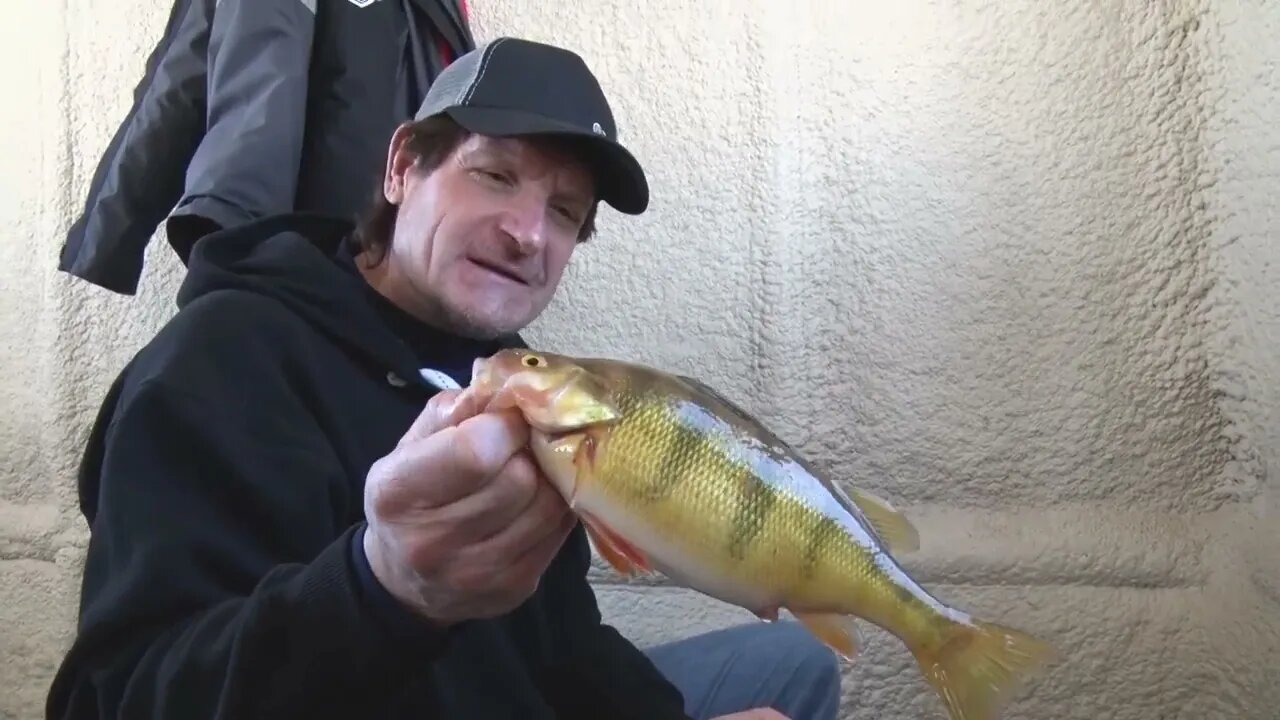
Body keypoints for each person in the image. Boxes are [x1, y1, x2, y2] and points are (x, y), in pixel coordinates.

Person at [45, 36, 842, 720]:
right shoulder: (220, 363)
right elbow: (116, 695)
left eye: (565, 211)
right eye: (495, 175)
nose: (528, 233)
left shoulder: (518, 381)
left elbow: (557, 643)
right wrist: (380, 586)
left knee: (796, 667)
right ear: (401, 167)